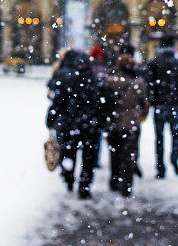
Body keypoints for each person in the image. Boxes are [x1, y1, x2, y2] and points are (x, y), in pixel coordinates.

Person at [46, 49, 104, 199]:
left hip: (68, 124)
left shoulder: (66, 78)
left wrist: (51, 118)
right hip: (89, 125)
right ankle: (85, 185)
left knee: (68, 152)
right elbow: (100, 103)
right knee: (88, 157)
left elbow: (58, 102)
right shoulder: (93, 78)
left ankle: (68, 178)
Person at [104, 53, 149, 197]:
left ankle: (115, 180)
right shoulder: (139, 83)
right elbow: (145, 104)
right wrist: (140, 114)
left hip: (114, 123)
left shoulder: (110, 81)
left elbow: (106, 103)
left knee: (115, 154)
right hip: (132, 124)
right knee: (129, 155)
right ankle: (127, 184)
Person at [145, 34, 178, 179]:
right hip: (174, 105)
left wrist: (153, 100)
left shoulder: (155, 62)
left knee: (159, 138)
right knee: (176, 135)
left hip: (160, 105)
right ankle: (174, 157)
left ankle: (160, 167)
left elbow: (150, 83)